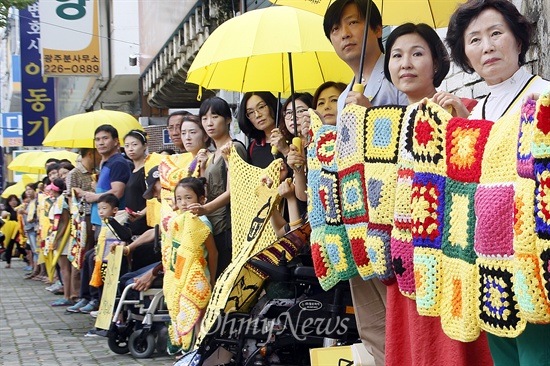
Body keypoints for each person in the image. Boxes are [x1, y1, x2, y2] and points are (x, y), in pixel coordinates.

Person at [446, 1, 550, 365]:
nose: (487, 46)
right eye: (474, 40)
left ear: (518, 40)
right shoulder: (474, 114)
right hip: (487, 268)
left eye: (496, 33)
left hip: (536, 262)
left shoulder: (544, 96)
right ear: (466, 56)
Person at [382, 22, 492, 366]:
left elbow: (482, 174)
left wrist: (461, 123)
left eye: (417, 54)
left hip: (450, 260)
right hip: (403, 255)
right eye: (397, 55)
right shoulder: (385, 125)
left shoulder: (462, 108)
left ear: (437, 62)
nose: (406, 63)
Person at [322, 1, 408, 364]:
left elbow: (416, 134)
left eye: (353, 22)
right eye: (335, 30)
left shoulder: (399, 77)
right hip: (357, 223)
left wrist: (372, 114)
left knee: (402, 316)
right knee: (372, 322)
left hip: (394, 219)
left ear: (377, 29)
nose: (344, 34)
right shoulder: (344, 96)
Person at [191, 97, 247, 276]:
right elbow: (208, 190)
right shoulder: (212, 154)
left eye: (215, 117)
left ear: (228, 119)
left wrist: (205, 209)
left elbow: (233, 191)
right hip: (212, 225)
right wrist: (201, 169)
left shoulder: (234, 148)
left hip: (228, 227)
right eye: (205, 119)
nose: (209, 123)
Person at [83, 124, 131, 233]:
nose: (101, 142)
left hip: (111, 223)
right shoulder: (106, 162)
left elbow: (117, 192)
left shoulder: (118, 163)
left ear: (115, 142)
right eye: (97, 139)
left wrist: (94, 197)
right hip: (101, 221)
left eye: (105, 138)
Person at [48, 178, 79, 306]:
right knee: (64, 269)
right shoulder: (59, 201)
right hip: (60, 237)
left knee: (65, 269)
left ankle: (67, 295)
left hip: (63, 239)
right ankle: (68, 294)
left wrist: (56, 239)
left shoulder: (62, 202)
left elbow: (65, 223)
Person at [238, 91, 284, 168]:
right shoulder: (253, 147)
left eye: (261, 107)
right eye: (251, 112)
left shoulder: (291, 139)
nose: (257, 115)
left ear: (272, 105)